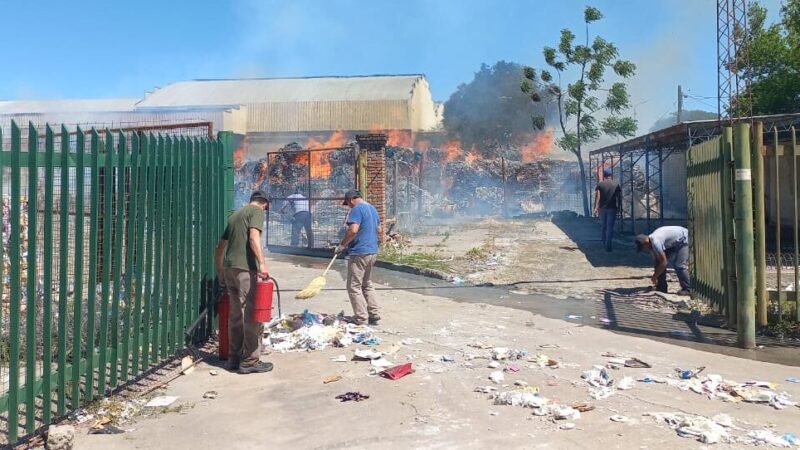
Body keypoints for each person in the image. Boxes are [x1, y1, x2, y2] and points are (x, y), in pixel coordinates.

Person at [214, 190, 274, 374]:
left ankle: (233, 359)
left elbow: (220, 246)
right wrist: (262, 264)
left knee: (236, 315)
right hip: (246, 269)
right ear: (265, 204)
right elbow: (254, 238)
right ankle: (250, 361)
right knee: (252, 315)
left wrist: (220, 270)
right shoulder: (256, 211)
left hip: (230, 269)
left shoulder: (235, 215)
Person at [335, 190, 381, 326]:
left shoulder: (356, 209)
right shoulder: (372, 209)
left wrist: (342, 245)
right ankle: (374, 313)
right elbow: (379, 229)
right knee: (366, 283)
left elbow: (353, 230)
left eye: (348, 203)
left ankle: (361, 318)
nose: (348, 206)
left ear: (351, 199)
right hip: (372, 251)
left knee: (353, 286)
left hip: (359, 252)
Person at [635, 226, 692, 295]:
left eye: (643, 248)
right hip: (674, 241)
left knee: (679, 265)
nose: (645, 250)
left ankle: (688, 289)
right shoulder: (652, 240)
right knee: (659, 263)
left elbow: (664, 262)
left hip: (684, 239)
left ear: (646, 243)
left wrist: (655, 276)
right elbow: (659, 259)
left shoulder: (656, 242)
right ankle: (661, 288)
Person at [593, 167, 622, 252]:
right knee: (610, 227)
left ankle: (603, 241)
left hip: (602, 208)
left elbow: (598, 196)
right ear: (611, 175)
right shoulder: (616, 184)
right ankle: (608, 245)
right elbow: (619, 198)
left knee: (603, 226)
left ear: (604, 175)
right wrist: (619, 207)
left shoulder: (600, 184)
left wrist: (596, 207)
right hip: (612, 208)